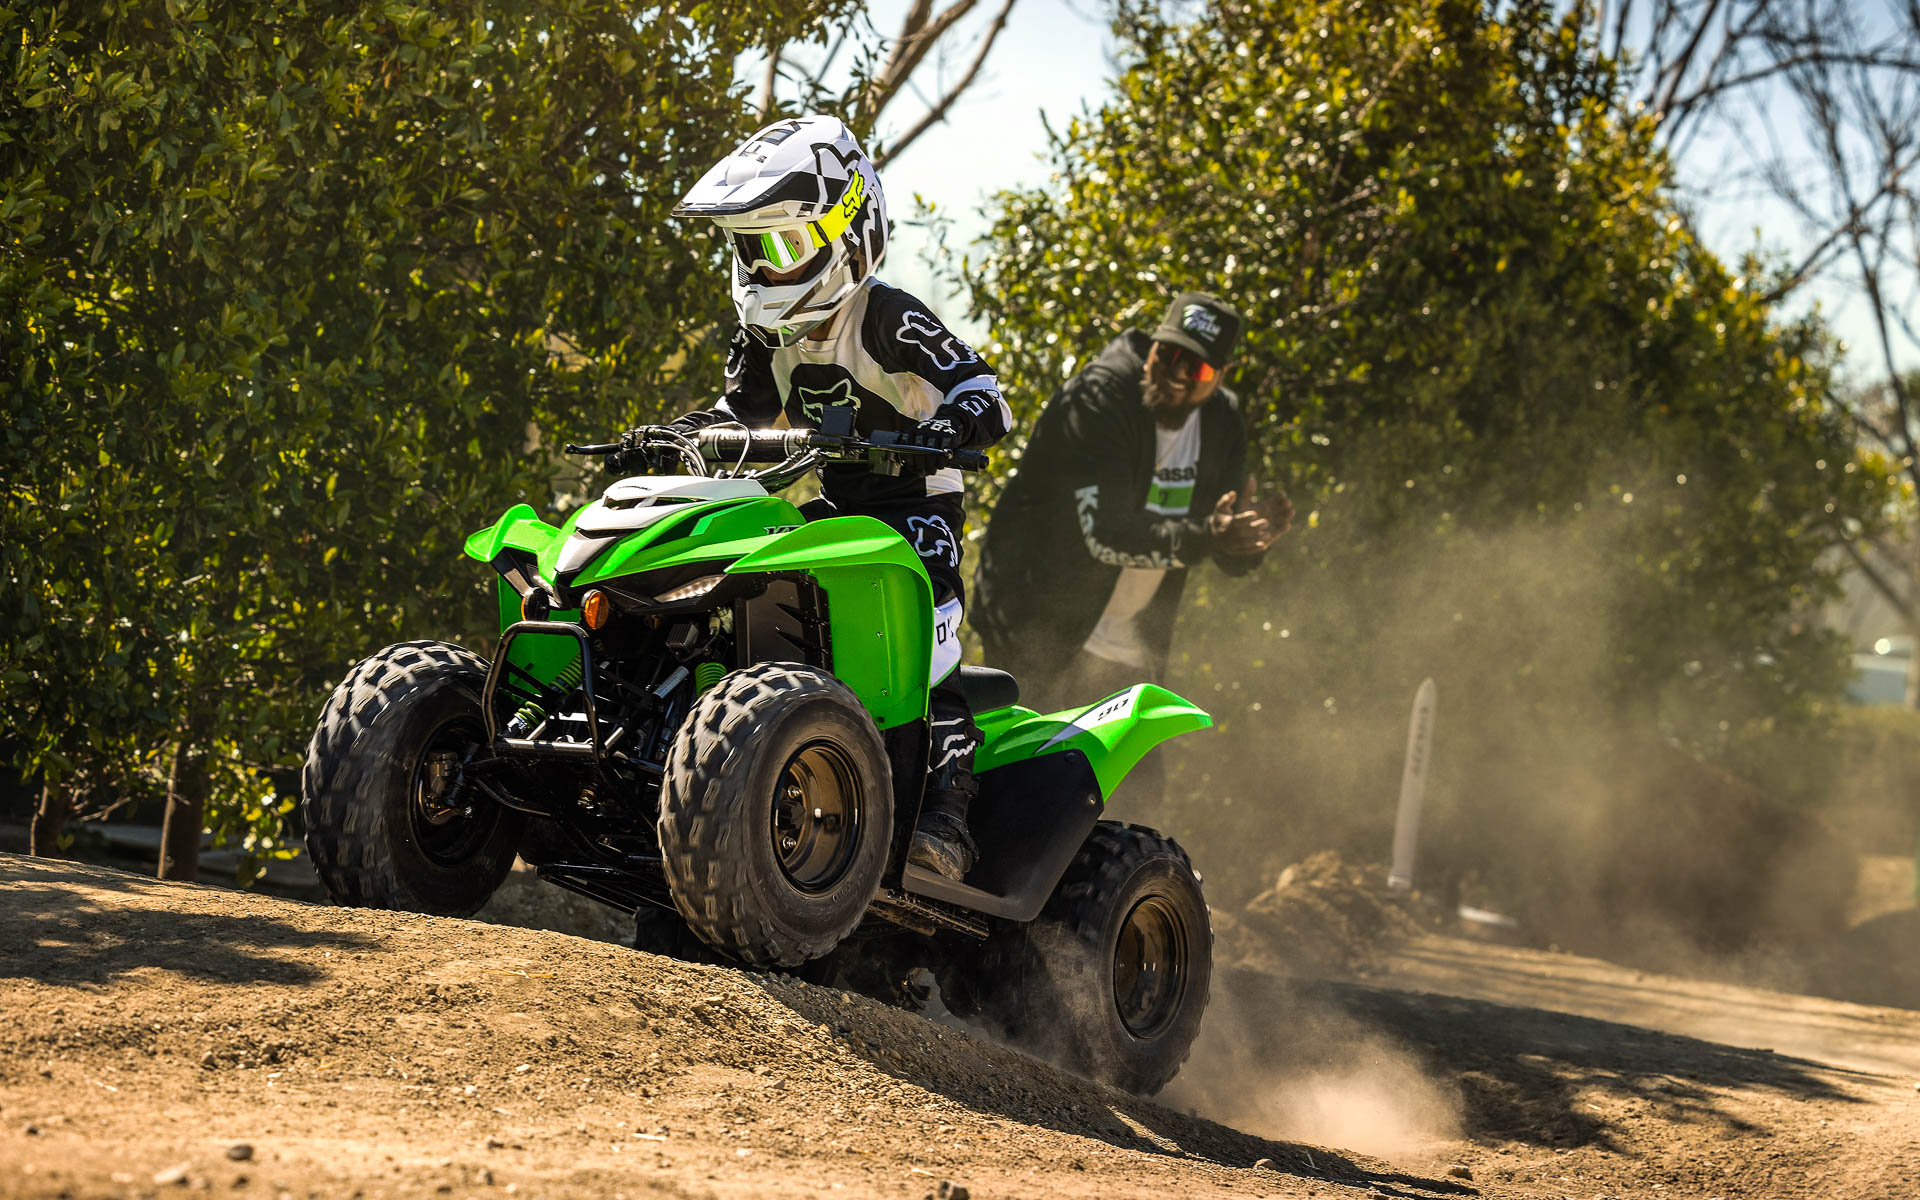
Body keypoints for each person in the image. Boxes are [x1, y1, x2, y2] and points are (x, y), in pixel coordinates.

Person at [619, 114, 1011, 881]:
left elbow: (984, 391)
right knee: (742, 592)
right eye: (750, 251)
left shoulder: (889, 317)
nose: (764, 270)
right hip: (837, 507)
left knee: (931, 632)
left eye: (784, 248)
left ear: (848, 232)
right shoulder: (764, 337)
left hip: (914, 508)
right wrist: (675, 435)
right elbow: (743, 418)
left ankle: (946, 817)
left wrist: (951, 424)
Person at [973, 292, 1288, 737]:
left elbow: (1221, 540)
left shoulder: (1222, 422)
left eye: (1196, 367)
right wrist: (1209, 536)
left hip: (1128, 646)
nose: (1178, 373)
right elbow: (1104, 535)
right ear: (1154, 345)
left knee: (1134, 795)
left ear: (1219, 377)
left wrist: (1247, 541)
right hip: (1035, 625)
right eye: (1172, 352)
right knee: (1024, 786)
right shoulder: (1099, 398)